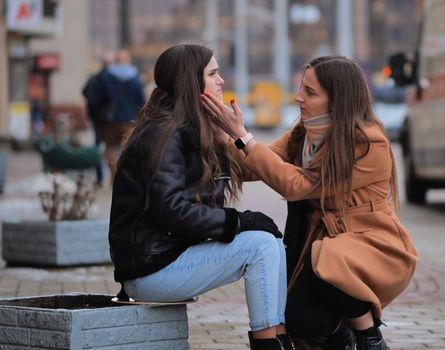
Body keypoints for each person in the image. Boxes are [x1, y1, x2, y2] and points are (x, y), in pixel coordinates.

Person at [203, 56, 419, 350]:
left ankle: (370, 334)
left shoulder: (368, 142)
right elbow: (256, 167)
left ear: (337, 100)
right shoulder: (303, 133)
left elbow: (296, 185)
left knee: (330, 259)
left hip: (369, 242)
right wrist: (221, 136)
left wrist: (242, 136)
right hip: (322, 243)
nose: (298, 98)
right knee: (299, 318)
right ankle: (341, 336)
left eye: (310, 92)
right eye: (301, 88)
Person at [108, 44, 293, 350]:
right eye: (213, 73)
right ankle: (268, 344)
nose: (221, 81)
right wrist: (239, 221)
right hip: (150, 269)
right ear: (191, 81)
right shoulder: (163, 134)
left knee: (269, 242)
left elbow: (248, 170)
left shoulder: (192, 130)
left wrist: (233, 134)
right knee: (260, 245)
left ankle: (278, 339)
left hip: (168, 257)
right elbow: (172, 211)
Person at [99, 50, 146, 182]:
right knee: (126, 149)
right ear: (127, 61)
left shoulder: (106, 77)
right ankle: (122, 174)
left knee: (109, 148)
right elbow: (141, 100)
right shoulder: (136, 78)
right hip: (130, 119)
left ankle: (113, 170)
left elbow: (99, 99)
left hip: (110, 120)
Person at [82, 51, 115, 186]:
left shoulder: (94, 78)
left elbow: (84, 91)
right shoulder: (110, 79)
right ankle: (112, 177)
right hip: (107, 119)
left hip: (96, 117)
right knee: (109, 148)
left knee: (98, 147)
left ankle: (100, 178)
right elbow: (112, 97)